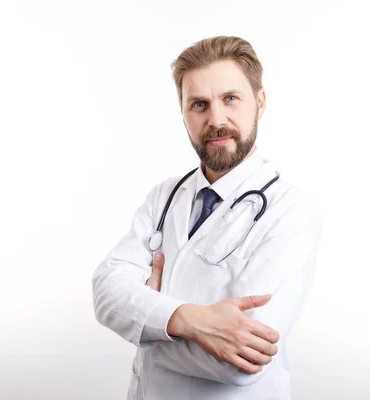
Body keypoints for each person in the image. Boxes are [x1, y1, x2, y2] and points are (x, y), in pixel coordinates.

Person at [91, 36, 322, 400]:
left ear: (259, 103)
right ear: (183, 113)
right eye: (199, 104)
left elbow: (240, 362)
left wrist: (146, 321)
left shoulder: (291, 212)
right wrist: (189, 321)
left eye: (230, 98)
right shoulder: (163, 196)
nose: (216, 120)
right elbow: (105, 292)